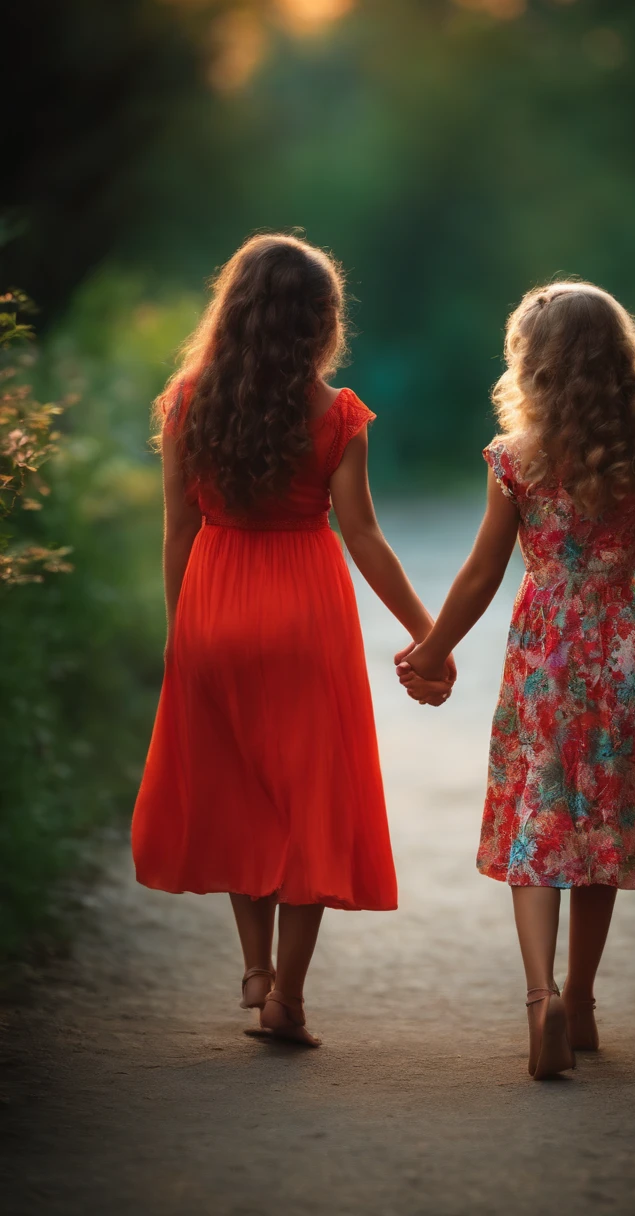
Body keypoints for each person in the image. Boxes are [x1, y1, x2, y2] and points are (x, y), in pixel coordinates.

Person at [132, 233, 452, 1046]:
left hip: (216, 605)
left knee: (241, 789)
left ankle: (252, 966)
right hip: (306, 612)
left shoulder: (184, 405)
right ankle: (290, 1000)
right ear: (320, 322)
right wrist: (430, 635)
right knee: (310, 799)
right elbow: (366, 536)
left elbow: (177, 533)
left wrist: (184, 636)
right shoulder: (336, 414)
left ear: (233, 312)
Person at [397, 280, 635, 1079]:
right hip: (622, 654)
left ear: (533, 365)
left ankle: (542, 999)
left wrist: (433, 649)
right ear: (621, 363)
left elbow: (480, 572)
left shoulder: (519, 460)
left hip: (545, 659)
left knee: (542, 820)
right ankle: (585, 998)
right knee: (602, 831)